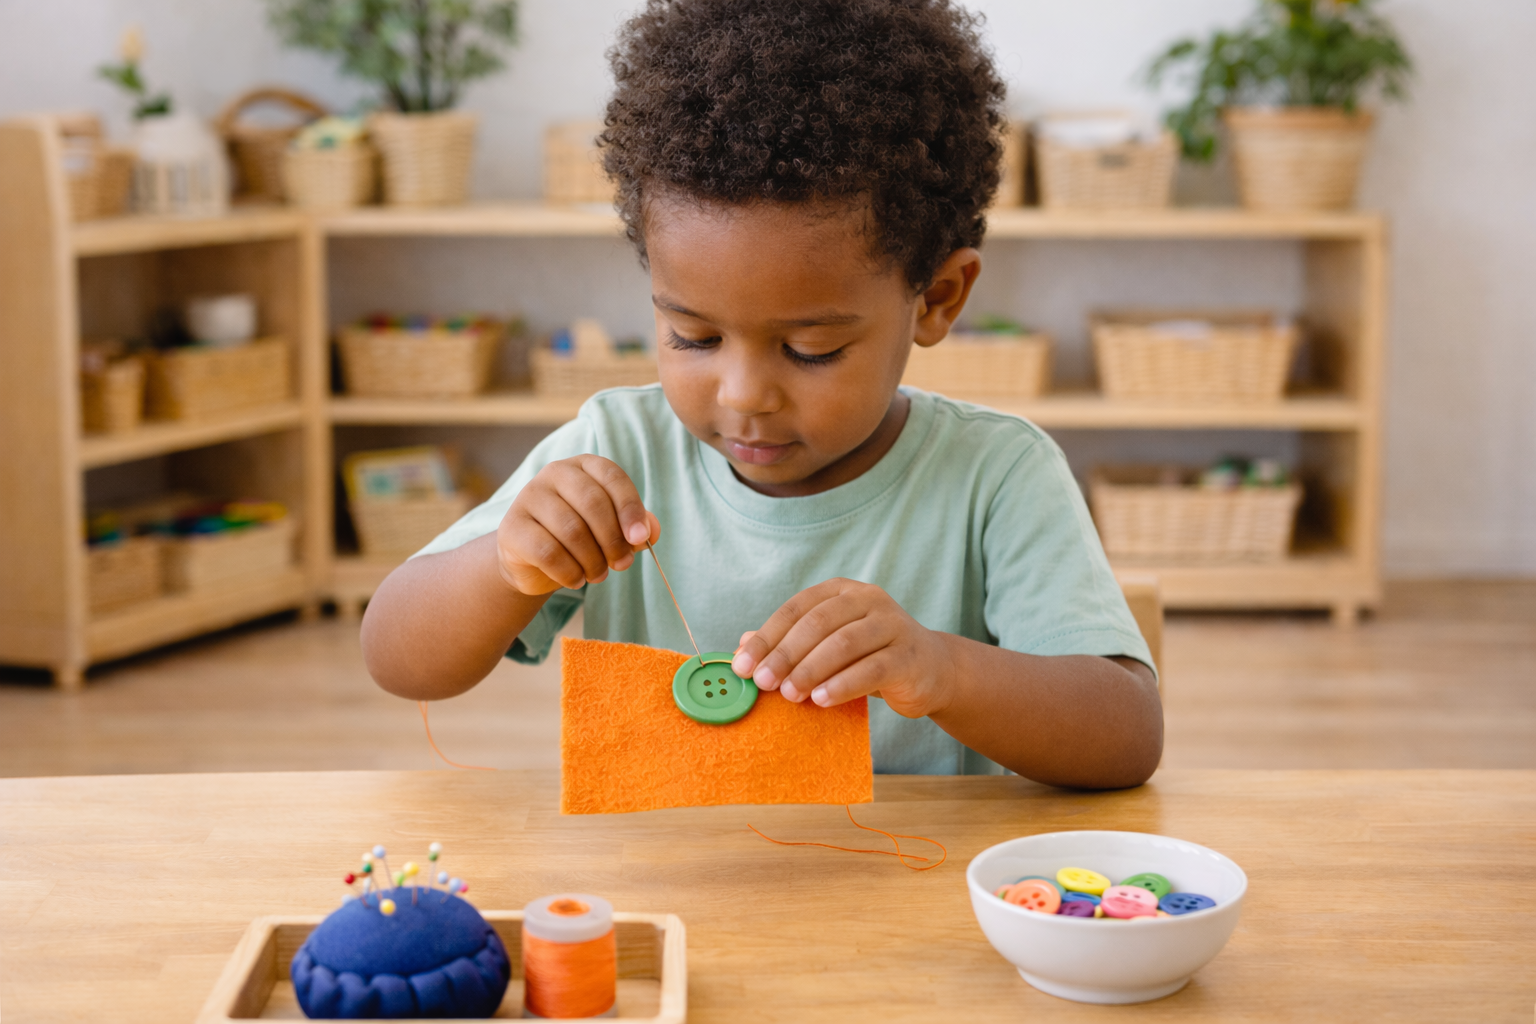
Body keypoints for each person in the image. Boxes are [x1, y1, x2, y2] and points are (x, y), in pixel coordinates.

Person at [362, 0, 1162, 788]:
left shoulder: (997, 476)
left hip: (906, 902)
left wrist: (943, 668)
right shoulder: (615, 449)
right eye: (694, 337)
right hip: (661, 900)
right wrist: (504, 567)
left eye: (811, 349)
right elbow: (397, 658)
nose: (744, 395)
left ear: (939, 297)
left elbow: (1125, 736)